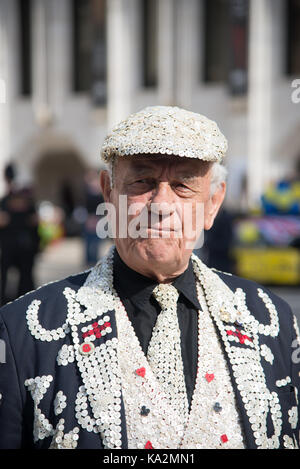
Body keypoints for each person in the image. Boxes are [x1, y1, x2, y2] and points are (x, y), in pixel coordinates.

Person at [0, 106, 299, 450]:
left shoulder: (272, 321)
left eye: (183, 185)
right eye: (142, 182)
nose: (162, 204)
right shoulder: (22, 330)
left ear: (213, 203)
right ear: (109, 193)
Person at [0, 164, 40, 306]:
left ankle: (23, 301)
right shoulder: (9, 200)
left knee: (24, 277)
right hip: (13, 243)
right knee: (9, 277)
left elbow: (34, 220)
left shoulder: (12, 199)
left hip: (22, 243)